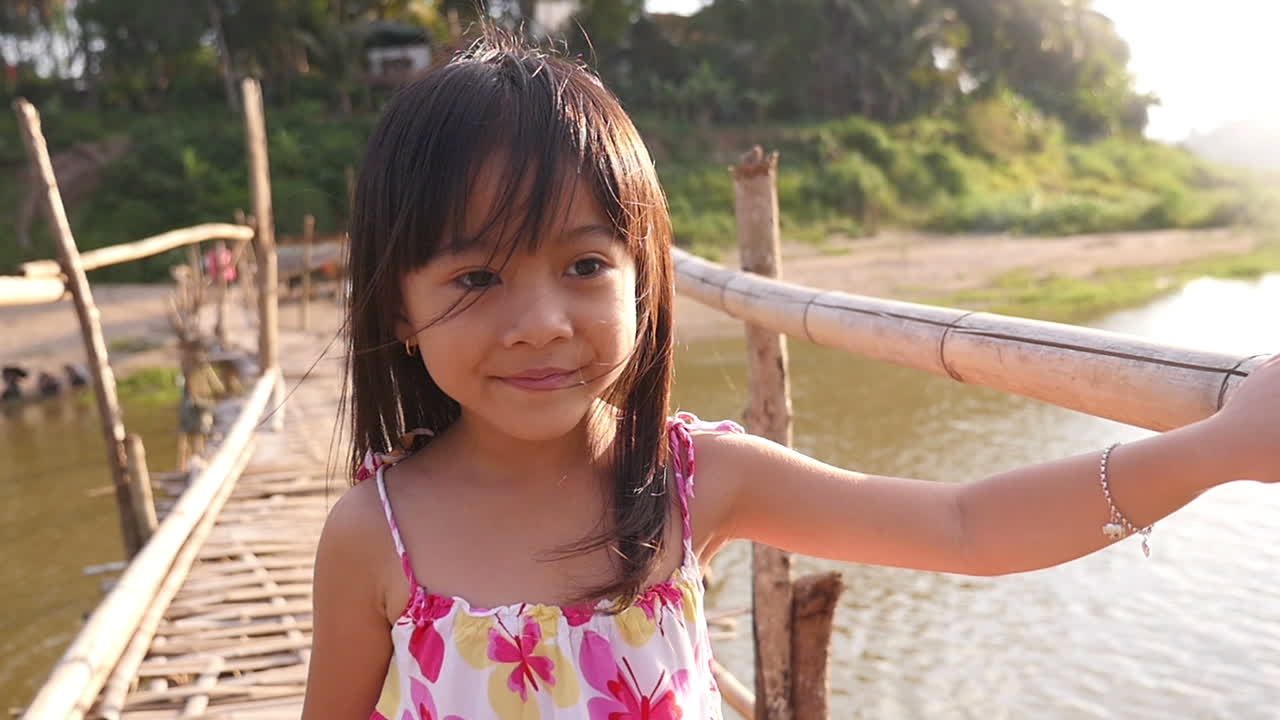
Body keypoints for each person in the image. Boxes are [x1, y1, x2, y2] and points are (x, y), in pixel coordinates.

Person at [303, 33, 1280, 720]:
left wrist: (1213, 452)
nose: (540, 325)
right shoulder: (374, 535)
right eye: (476, 277)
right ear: (397, 305)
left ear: (645, 277)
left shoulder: (689, 481)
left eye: (584, 265)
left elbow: (967, 528)